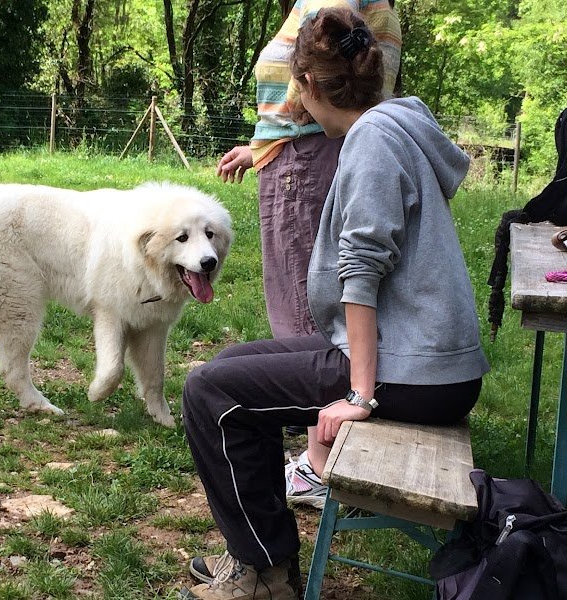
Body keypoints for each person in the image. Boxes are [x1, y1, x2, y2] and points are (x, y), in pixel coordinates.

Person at [180, 7, 490, 600]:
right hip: (423, 359)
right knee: (227, 367)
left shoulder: (372, 141)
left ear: (308, 86)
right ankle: (260, 554)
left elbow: (362, 274)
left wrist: (359, 396)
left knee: (209, 392)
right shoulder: (393, 122)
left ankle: (264, 573)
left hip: (417, 372)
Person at [215, 0, 401, 498]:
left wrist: (289, 138)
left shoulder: (334, 13)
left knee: (306, 321)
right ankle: (328, 450)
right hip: (302, 148)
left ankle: (320, 464)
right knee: (299, 324)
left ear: (310, 85)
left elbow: (326, 65)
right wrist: (263, 146)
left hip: (308, 158)